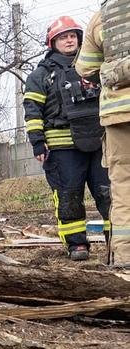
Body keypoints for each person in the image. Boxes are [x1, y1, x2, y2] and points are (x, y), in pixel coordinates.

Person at [24, 16, 110, 261]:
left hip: (100, 142)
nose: (69, 40)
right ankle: (76, 245)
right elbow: (32, 109)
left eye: (73, 36)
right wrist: (37, 141)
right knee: (68, 195)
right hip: (62, 146)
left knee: (109, 194)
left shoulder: (95, 67)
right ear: (53, 42)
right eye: (63, 37)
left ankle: (117, 243)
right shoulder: (41, 75)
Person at [76, 2, 130, 267]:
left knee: (123, 187)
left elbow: (85, 67)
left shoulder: (104, 16)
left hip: (118, 115)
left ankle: (125, 257)